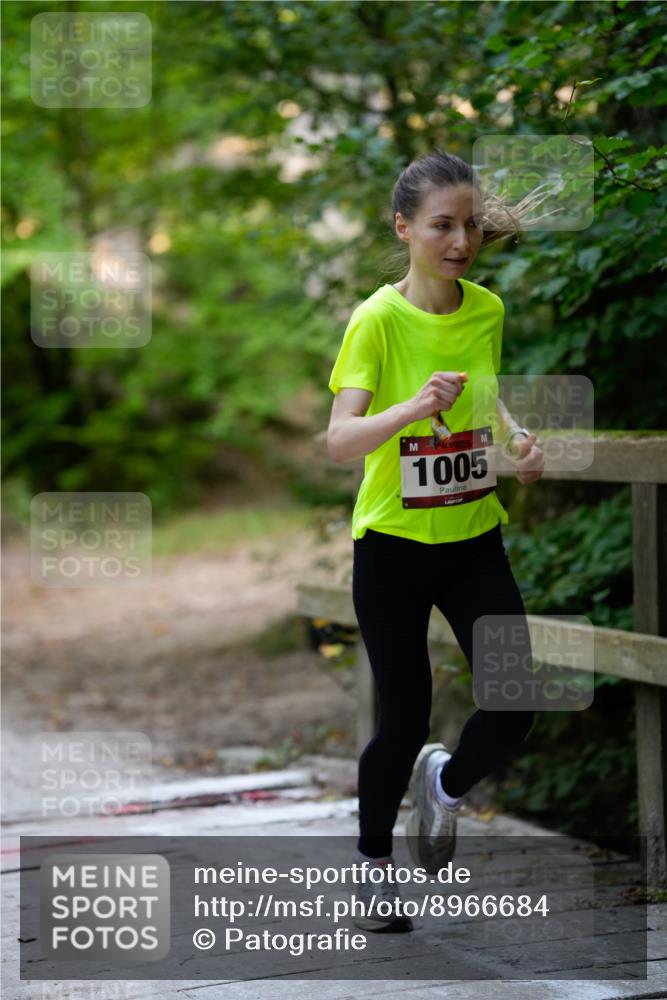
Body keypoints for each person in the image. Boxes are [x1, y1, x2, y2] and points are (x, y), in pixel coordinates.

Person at [326, 149, 545, 933]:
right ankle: (372, 866)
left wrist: (517, 440)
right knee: (403, 717)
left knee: (515, 697)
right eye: (441, 226)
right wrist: (412, 408)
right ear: (404, 228)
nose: (459, 240)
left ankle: (444, 788)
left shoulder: (484, 309)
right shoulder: (376, 319)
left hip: (472, 536)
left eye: (470, 225)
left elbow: (485, 404)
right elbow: (341, 440)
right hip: (391, 545)